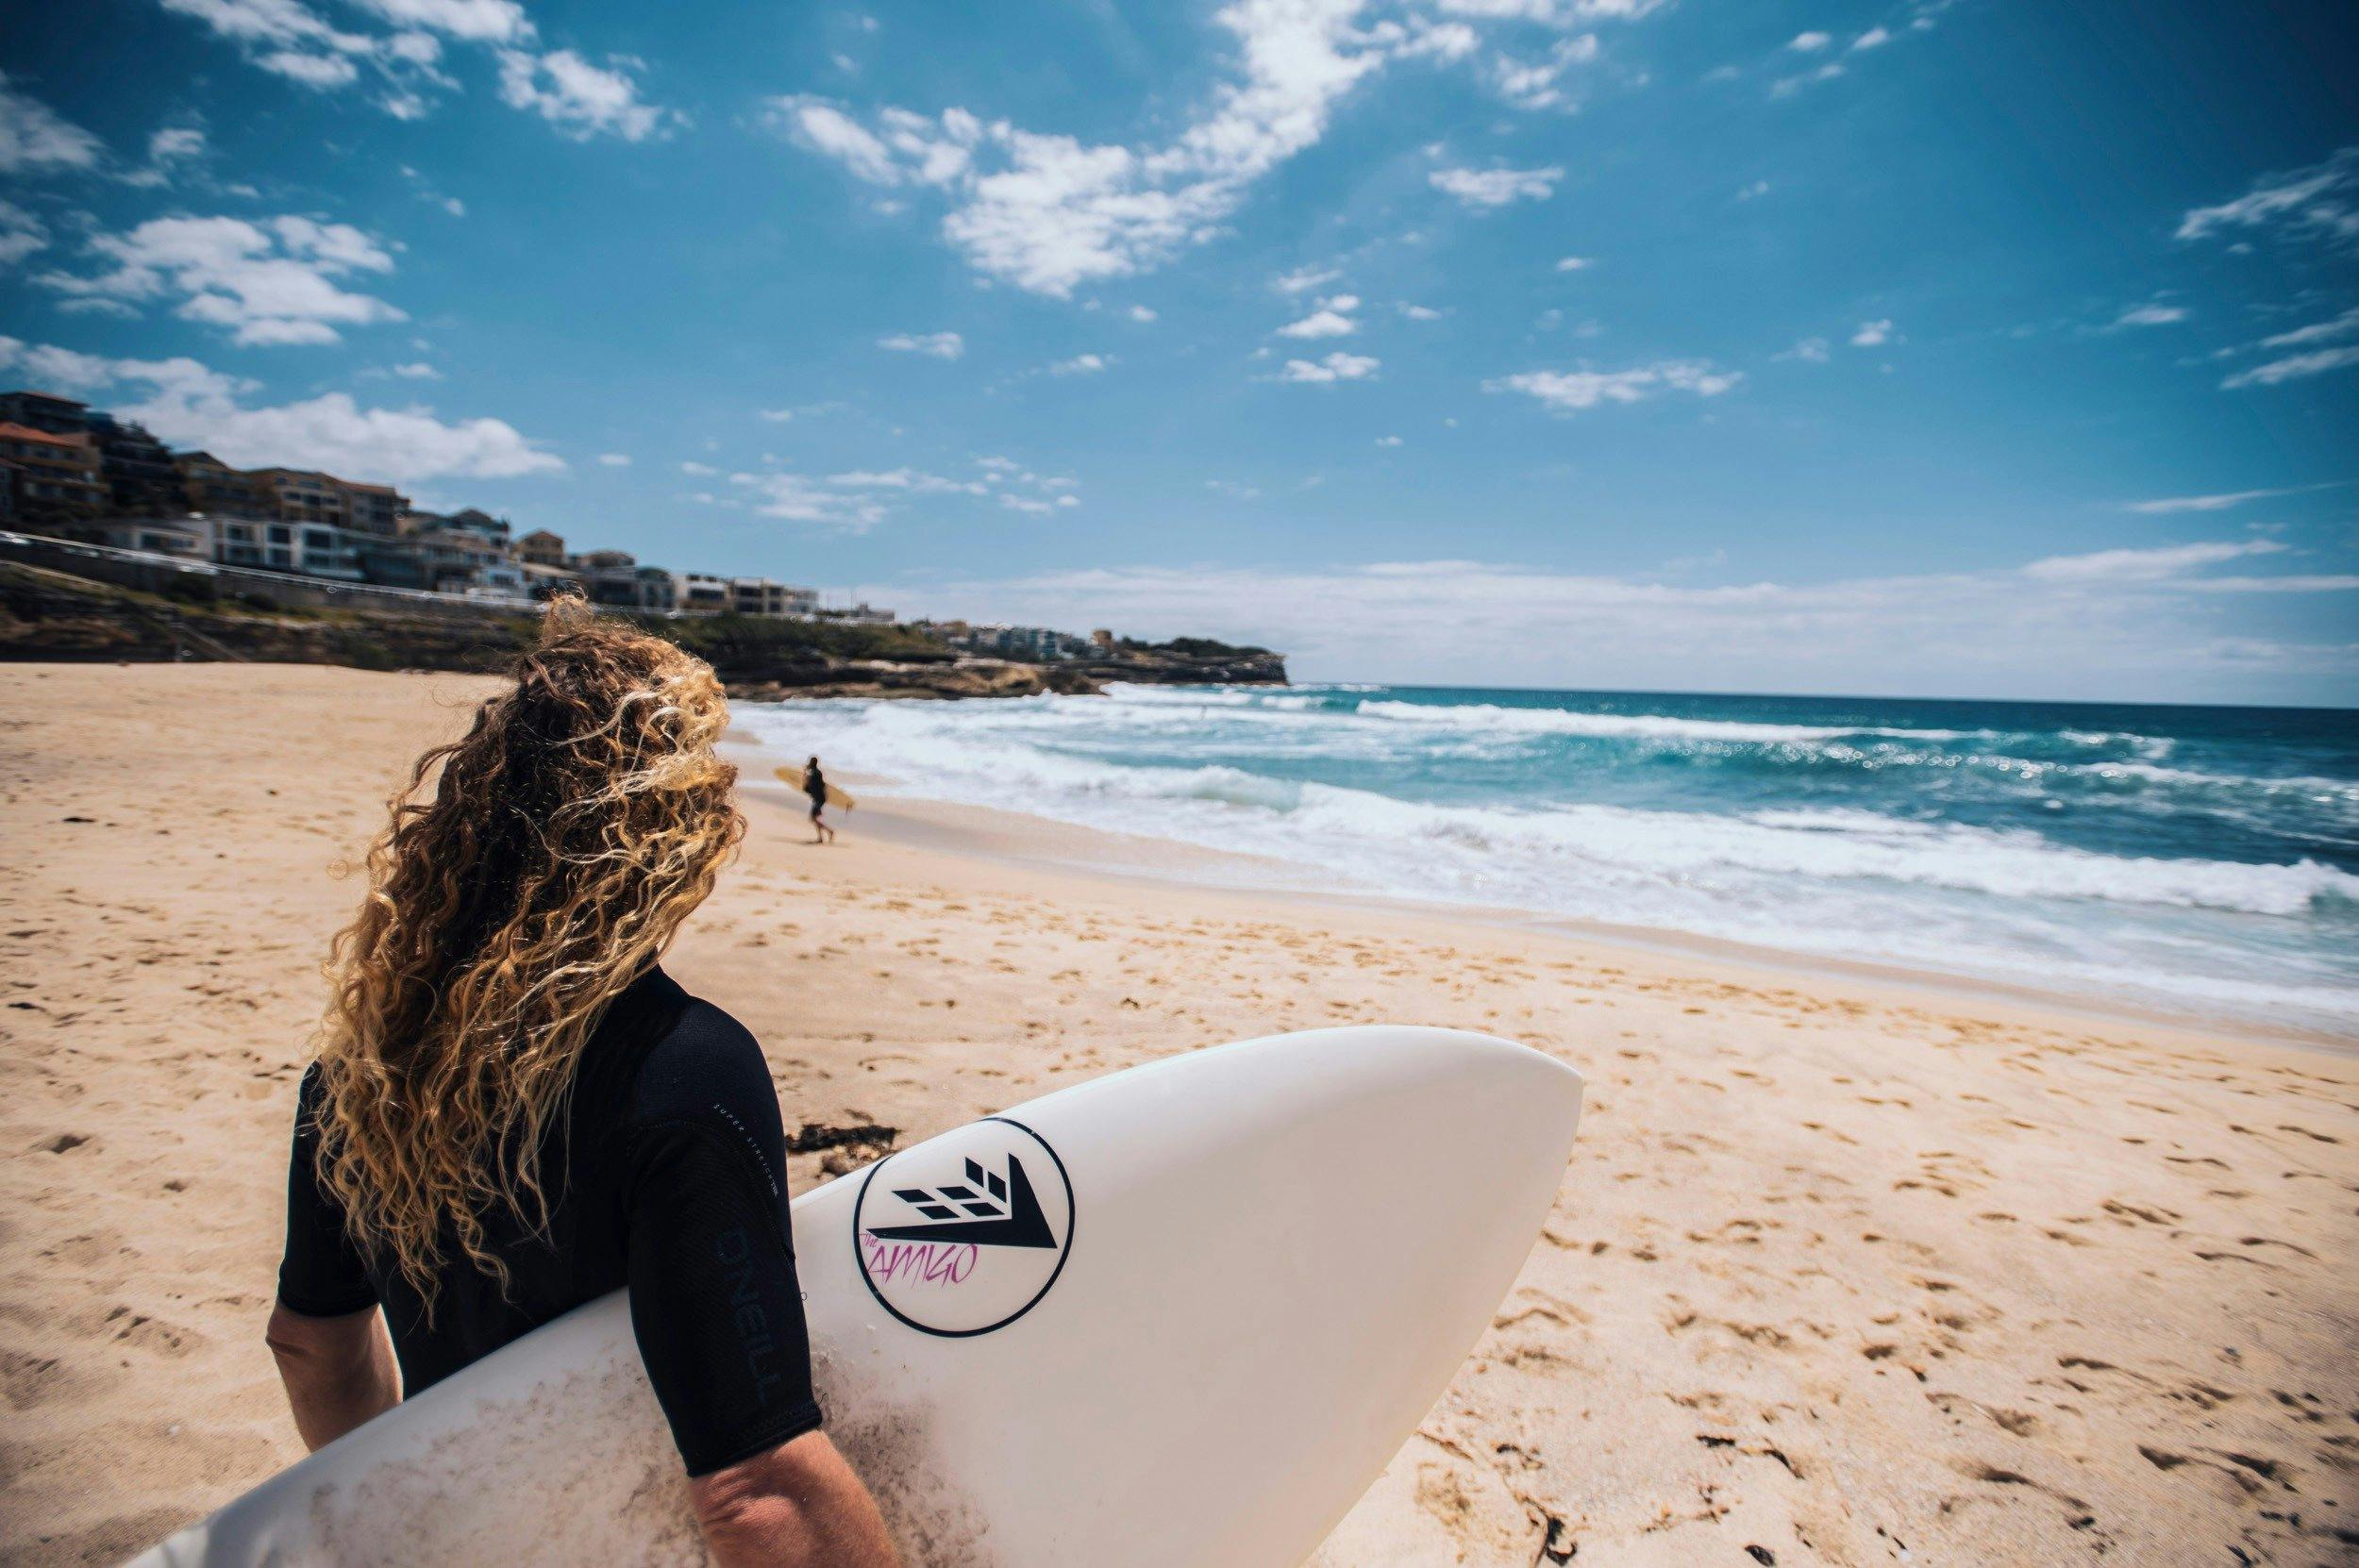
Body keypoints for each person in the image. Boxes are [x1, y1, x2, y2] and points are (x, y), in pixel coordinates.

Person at [265, 598, 897, 1568]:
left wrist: (405, 1504)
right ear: (672, 836)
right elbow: (755, 1488)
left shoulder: (361, 1072)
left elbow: (312, 1344)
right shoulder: (681, 1070)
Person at [802, 755, 835, 844]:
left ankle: (829, 831)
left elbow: (807, 787)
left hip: (819, 799)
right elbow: (808, 788)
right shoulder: (817, 773)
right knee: (815, 818)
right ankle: (821, 838)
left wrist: (805, 773)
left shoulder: (814, 773)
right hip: (819, 798)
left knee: (813, 818)